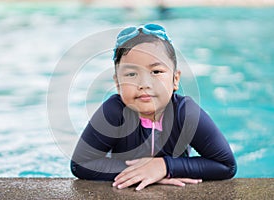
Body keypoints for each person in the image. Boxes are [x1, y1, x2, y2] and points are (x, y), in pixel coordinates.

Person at [70, 23, 237, 191]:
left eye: (156, 72)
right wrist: (139, 172)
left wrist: (165, 167)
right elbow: (80, 163)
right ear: (118, 83)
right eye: (131, 74)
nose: (144, 84)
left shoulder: (186, 113)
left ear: (175, 79)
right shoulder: (114, 112)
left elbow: (226, 165)